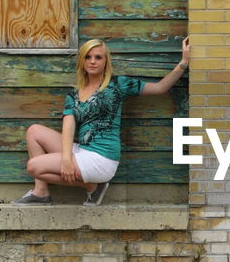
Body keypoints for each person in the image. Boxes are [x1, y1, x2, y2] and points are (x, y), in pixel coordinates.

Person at [13, 36, 190, 206]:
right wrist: (66, 159)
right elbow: (68, 127)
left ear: (105, 61)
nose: (92, 61)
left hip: (102, 158)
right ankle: (41, 192)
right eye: (88, 57)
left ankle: (91, 185)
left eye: (98, 57)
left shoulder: (117, 84)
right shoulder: (74, 94)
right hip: (83, 151)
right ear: (82, 61)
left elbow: (160, 88)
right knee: (34, 131)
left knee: (34, 167)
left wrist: (183, 63)